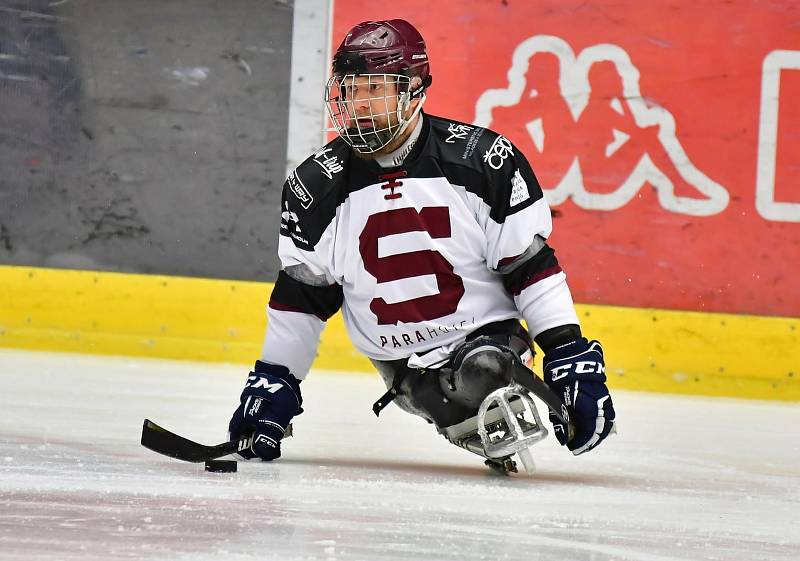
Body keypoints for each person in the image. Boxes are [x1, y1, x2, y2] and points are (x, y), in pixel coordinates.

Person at [228, 19, 615, 468]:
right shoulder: (314, 186)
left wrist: (567, 352)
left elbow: (530, 268)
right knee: (468, 382)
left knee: (485, 369)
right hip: (400, 364)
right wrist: (275, 380)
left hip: (488, 338)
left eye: (376, 88)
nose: (361, 104)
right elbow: (304, 299)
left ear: (414, 89)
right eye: (352, 90)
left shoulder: (482, 160)